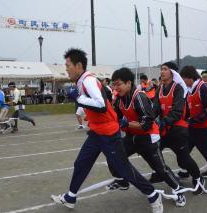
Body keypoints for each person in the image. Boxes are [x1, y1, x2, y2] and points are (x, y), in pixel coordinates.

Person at [51, 48, 163, 213]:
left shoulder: (88, 81)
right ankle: (71, 197)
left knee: (123, 168)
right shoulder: (82, 81)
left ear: (78, 65)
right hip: (97, 132)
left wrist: (79, 98)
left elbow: (101, 105)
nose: (66, 68)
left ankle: (153, 195)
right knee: (81, 163)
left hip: (109, 133)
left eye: (68, 65)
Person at [106, 67, 186, 207]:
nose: (115, 87)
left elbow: (146, 125)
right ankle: (123, 181)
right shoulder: (119, 100)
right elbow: (116, 120)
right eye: (114, 84)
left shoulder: (139, 97)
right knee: (114, 154)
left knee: (160, 169)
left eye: (118, 84)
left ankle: (179, 190)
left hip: (148, 138)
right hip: (133, 136)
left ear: (129, 83)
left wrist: (126, 123)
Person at [150, 62, 204, 195]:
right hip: (164, 129)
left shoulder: (179, 88)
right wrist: (149, 118)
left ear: (173, 72)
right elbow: (155, 108)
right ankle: (160, 173)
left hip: (177, 130)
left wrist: (164, 122)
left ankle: (198, 179)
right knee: (152, 152)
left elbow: (178, 111)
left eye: (165, 69)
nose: (162, 72)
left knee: (183, 159)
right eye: (161, 69)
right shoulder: (160, 88)